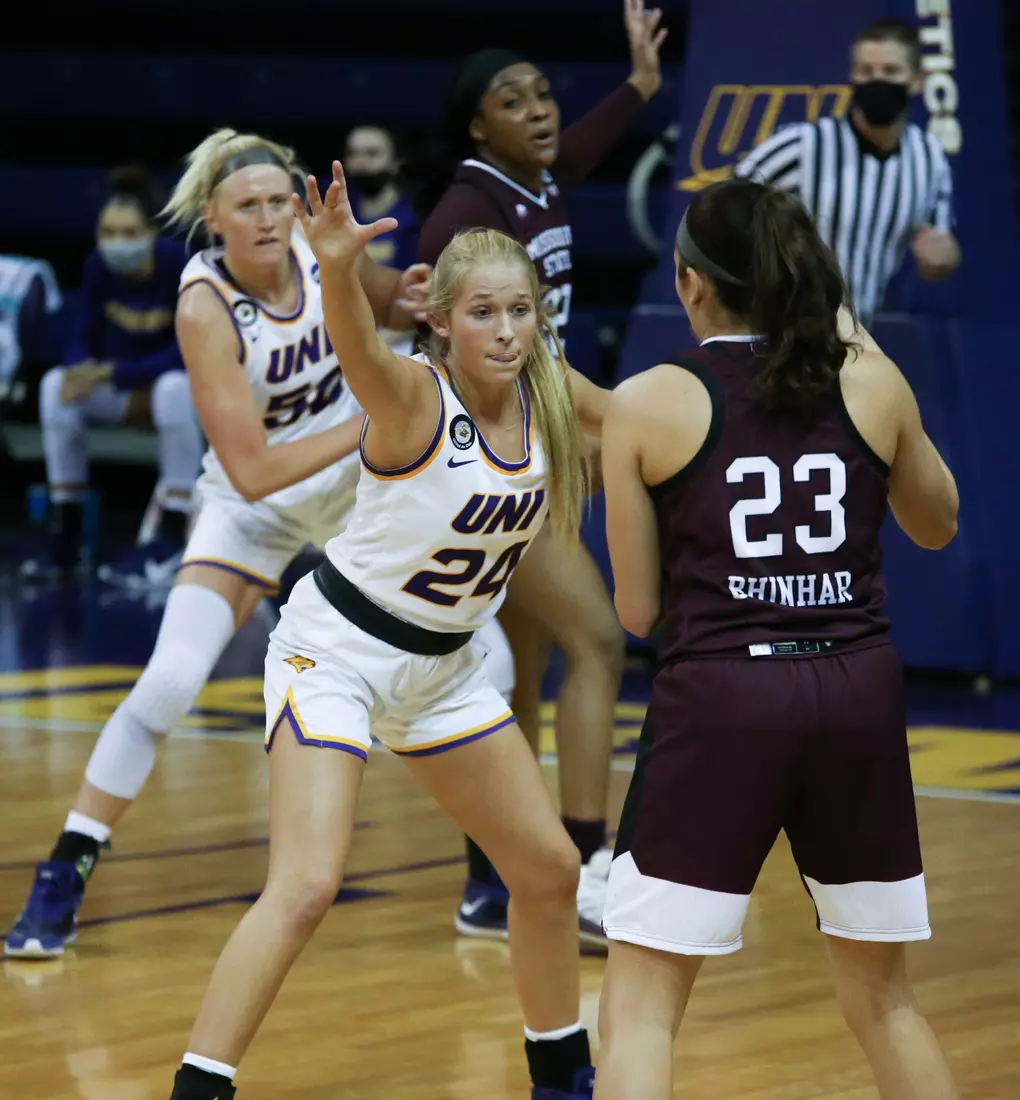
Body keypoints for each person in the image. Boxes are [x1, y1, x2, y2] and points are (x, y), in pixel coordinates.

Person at [164, 165, 610, 1100]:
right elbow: (358, 348)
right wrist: (332, 269)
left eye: (521, 312)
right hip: (336, 657)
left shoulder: (553, 395)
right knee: (308, 885)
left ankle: (562, 1082)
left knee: (549, 871)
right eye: (484, 313)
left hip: (442, 671)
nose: (506, 331)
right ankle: (198, 1091)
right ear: (442, 321)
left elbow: (662, 423)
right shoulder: (411, 396)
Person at [4, 129, 431, 960]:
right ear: (214, 219)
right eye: (249, 206)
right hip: (256, 504)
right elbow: (254, 468)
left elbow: (380, 299)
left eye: (279, 201)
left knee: (475, 658)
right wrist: (368, 421)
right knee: (166, 684)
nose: (270, 218)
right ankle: (66, 867)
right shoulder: (205, 306)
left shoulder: (313, 240)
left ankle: (492, 877)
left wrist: (412, 295)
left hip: (352, 499)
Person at [593, 179, 961, 1100]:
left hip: (725, 696)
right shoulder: (872, 381)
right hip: (858, 693)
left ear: (690, 283)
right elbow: (938, 523)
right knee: (885, 1001)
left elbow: (637, 614)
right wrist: (857, 338)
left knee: (639, 1005)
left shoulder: (648, 400)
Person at [417, 0, 667, 949]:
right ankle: (586, 863)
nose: (539, 110)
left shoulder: (535, 181)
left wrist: (640, 84)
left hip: (532, 433)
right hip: (492, 457)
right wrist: (570, 430)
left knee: (520, 671)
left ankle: (494, 881)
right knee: (599, 642)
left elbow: (588, 143)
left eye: (543, 95)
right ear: (478, 126)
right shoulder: (466, 210)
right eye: (511, 100)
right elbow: (438, 345)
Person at [20, 165, 204, 586]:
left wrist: (112, 371)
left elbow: (189, 352)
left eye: (129, 233)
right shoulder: (97, 267)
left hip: (179, 395)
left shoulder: (181, 264)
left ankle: (173, 532)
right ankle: (67, 532)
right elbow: (79, 334)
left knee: (174, 389)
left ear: (151, 232)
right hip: (124, 390)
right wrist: (78, 369)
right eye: (109, 232)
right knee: (54, 388)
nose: (117, 243)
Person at [735, 18, 961, 328]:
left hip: (859, 333)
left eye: (890, 71)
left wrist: (945, 257)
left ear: (918, 80)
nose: (876, 81)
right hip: (783, 330)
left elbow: (939, 247)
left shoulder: (929, 158)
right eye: (865, 71)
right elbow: (722, 210)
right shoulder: (805, 145)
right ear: (852, 77)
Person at [344, 123, 421, 356]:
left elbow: (416, 306)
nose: (361, 162)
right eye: (353, 153)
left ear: (395, 162)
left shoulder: (412, 222)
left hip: (392, 342)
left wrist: (368, 347)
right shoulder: (338, 213)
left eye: (372, 154)